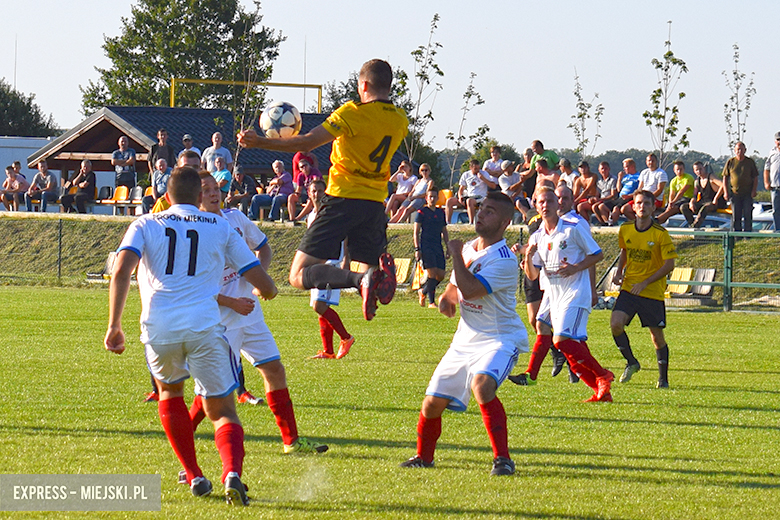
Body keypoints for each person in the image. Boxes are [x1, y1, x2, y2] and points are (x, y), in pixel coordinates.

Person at [104, 165, 277, 505]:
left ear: (166, 196)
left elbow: (122, 270)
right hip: (204, 326)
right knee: (224, 409)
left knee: (170, 394)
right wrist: (268, 289)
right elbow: (257, 274)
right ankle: (232, 473)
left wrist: (114, 326)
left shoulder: (145, 223)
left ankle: (194, 474)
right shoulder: (219, 225)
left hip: (159, 326)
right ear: (200, 196)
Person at [238, 59, 407, 321]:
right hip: (374, 203)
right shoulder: (399, 120)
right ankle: (370, 278)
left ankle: (364, 279)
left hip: (343, 198)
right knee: (369, 272)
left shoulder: (352, 113)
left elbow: (308, 141)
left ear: (362, 85)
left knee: (297, 275)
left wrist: (259, 141)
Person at [187, 172, 329, 456]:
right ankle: (181, 435)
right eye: (206, 190)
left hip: (250, 315)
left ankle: (291, 441)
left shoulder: (236, 219)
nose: (215, 193)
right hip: (220, 321)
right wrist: (231, 302)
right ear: (195, 196)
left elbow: (263, 248)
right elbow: (193, 286)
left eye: (217, 188)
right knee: (213, 392)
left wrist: (259, 277)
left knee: (274, 370)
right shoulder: (194, 232)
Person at [400, 192, 528, 476]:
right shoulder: (470, 248)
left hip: (500, 338)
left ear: (506, 222)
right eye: (481, 208)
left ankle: (503, 460)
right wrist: (447, 296)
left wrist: (455, 254)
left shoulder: (505, 260)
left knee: (482, 385)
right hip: (465, 339)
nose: (481, 214)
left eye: (490, 211)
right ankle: (423, 456)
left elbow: (470, 289)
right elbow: (457, 288)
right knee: (432, 402)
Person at [521, 186, 613, 402]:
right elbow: (533, 275)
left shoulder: (573, 228)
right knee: (557, 336)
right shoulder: (536, 237)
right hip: (553, 292)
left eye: (550, 201)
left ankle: (602, 375)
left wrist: (576, 267)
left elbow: (597, 254)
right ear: (536, 206)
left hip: (574, 291)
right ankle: (601, 391)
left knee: (561, 340)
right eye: (541, 202)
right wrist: (528, 260)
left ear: (557, 204)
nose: (546, 205)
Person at [611, 190, 677, 389]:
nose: (642, 206)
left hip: (651, 291)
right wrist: (618, 271)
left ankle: (663, 379)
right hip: (630, 288)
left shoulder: (660, 234)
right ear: (633, 206)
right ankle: (632, 362)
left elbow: (669, 264)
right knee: (616, 324)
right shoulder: (625, 229)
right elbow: (625, 250)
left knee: (656, 336)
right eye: (638, 203)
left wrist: (646, 282)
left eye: (646, 203)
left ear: (653, 207)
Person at [292, 180, 356, 359]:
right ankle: (328, 350)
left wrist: (346, 259)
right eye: (314, 191)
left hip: (331, 265)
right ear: (308, 192)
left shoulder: (331, 214)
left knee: (319, 305)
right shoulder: (311, 215)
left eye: (321, 190)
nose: (317, 194)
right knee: (320, 306)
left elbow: (345, 237)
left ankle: (346, 337)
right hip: (316, 266)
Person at [413, 186, 450, 308]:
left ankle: (423, 291)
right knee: (432, 274)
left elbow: (444, 231)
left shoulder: (440, 212)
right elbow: (416, 232)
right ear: (426, 198)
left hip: (437, 246)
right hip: (426, 246)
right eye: (430, 197)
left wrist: (448, 247)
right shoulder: (422, 212)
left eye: (434, 196)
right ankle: (431, 302)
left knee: (441, 275)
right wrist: (417, 248)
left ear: (438, 198)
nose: (432, 199)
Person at [445, 159, 497, 224]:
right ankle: (448, 222)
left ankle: (471, 222)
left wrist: (483, 178)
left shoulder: (484, 173)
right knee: (449, 201)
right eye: (475, 169)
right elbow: (461, 189)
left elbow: (493, 186)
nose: (477, 170)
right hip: (469, 195)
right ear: (471, 168)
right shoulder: (466, 175)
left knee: (469, 201)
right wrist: (460, 197)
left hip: (480, 197)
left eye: (478, 168)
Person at [722, 141, 759, 232]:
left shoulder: (750, 162)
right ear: (735, 150)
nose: (739, 151)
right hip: (735, 194)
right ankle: (736, 235)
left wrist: (754, 190)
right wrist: (726, 192)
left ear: (745, 150)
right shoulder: (731, 162)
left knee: (747, 214)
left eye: (741, 149)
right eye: (738, 149)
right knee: (736, 215)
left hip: (747, 194)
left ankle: (747, 235)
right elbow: (725, 178)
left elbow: (755, 177)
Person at [681, 161, 725, 228]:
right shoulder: (697, 181)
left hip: (714, 202)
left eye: (700, 169)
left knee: (705, 208)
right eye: (697, 170)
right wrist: (691, 202)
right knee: (683, 207)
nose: (699, 171)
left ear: (704, 168)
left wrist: (716, 198)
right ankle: (692, 225)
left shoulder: (711, 177)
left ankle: (695, 226)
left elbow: (722, 185)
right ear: (694, 171)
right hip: (703, 201)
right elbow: (695, 195)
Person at [609, 158, 642, 224]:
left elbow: (639, 190)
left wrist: (629, 195)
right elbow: (618, 189)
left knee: (616, 208)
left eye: (626, 167)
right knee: (602, 206)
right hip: (620, 197)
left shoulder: (639, 176)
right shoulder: (625, 177)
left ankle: (611, 223)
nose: (624, 169)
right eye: (624, 167)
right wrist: (619, 178)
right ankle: (605, 222)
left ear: (632, 167)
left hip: (629, 197)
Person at [764, 132, 780, 231]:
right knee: (776, 211)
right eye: (778, 140)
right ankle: (778, 231)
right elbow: (766, 168)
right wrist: (766, 182)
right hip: (775, 187)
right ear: (775, 141)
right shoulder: (772, 152)